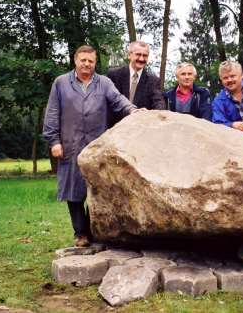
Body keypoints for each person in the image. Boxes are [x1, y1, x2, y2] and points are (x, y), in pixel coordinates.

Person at [43, 45, 141, 248]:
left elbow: (118, 100)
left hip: (97, 147)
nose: (87, 64)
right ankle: (80, 234)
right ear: (75, 60)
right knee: (74, 190)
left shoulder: (104, 82)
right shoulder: (61, 83)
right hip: (70, 144)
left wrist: (132, 110)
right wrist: (54, 141)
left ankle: (93, 231)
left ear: (95, 63)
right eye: (83, 60)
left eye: (91, 61)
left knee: (98, 190)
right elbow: (52, 114)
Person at [107, 41, 165, 126]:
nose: (141, 59)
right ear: (129, 55)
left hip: (139, 129)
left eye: (145, 56)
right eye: (138, 54)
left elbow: (159, 103)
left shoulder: (153, 80)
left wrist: (150, 113)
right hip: (115, 127)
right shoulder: (114, 75)